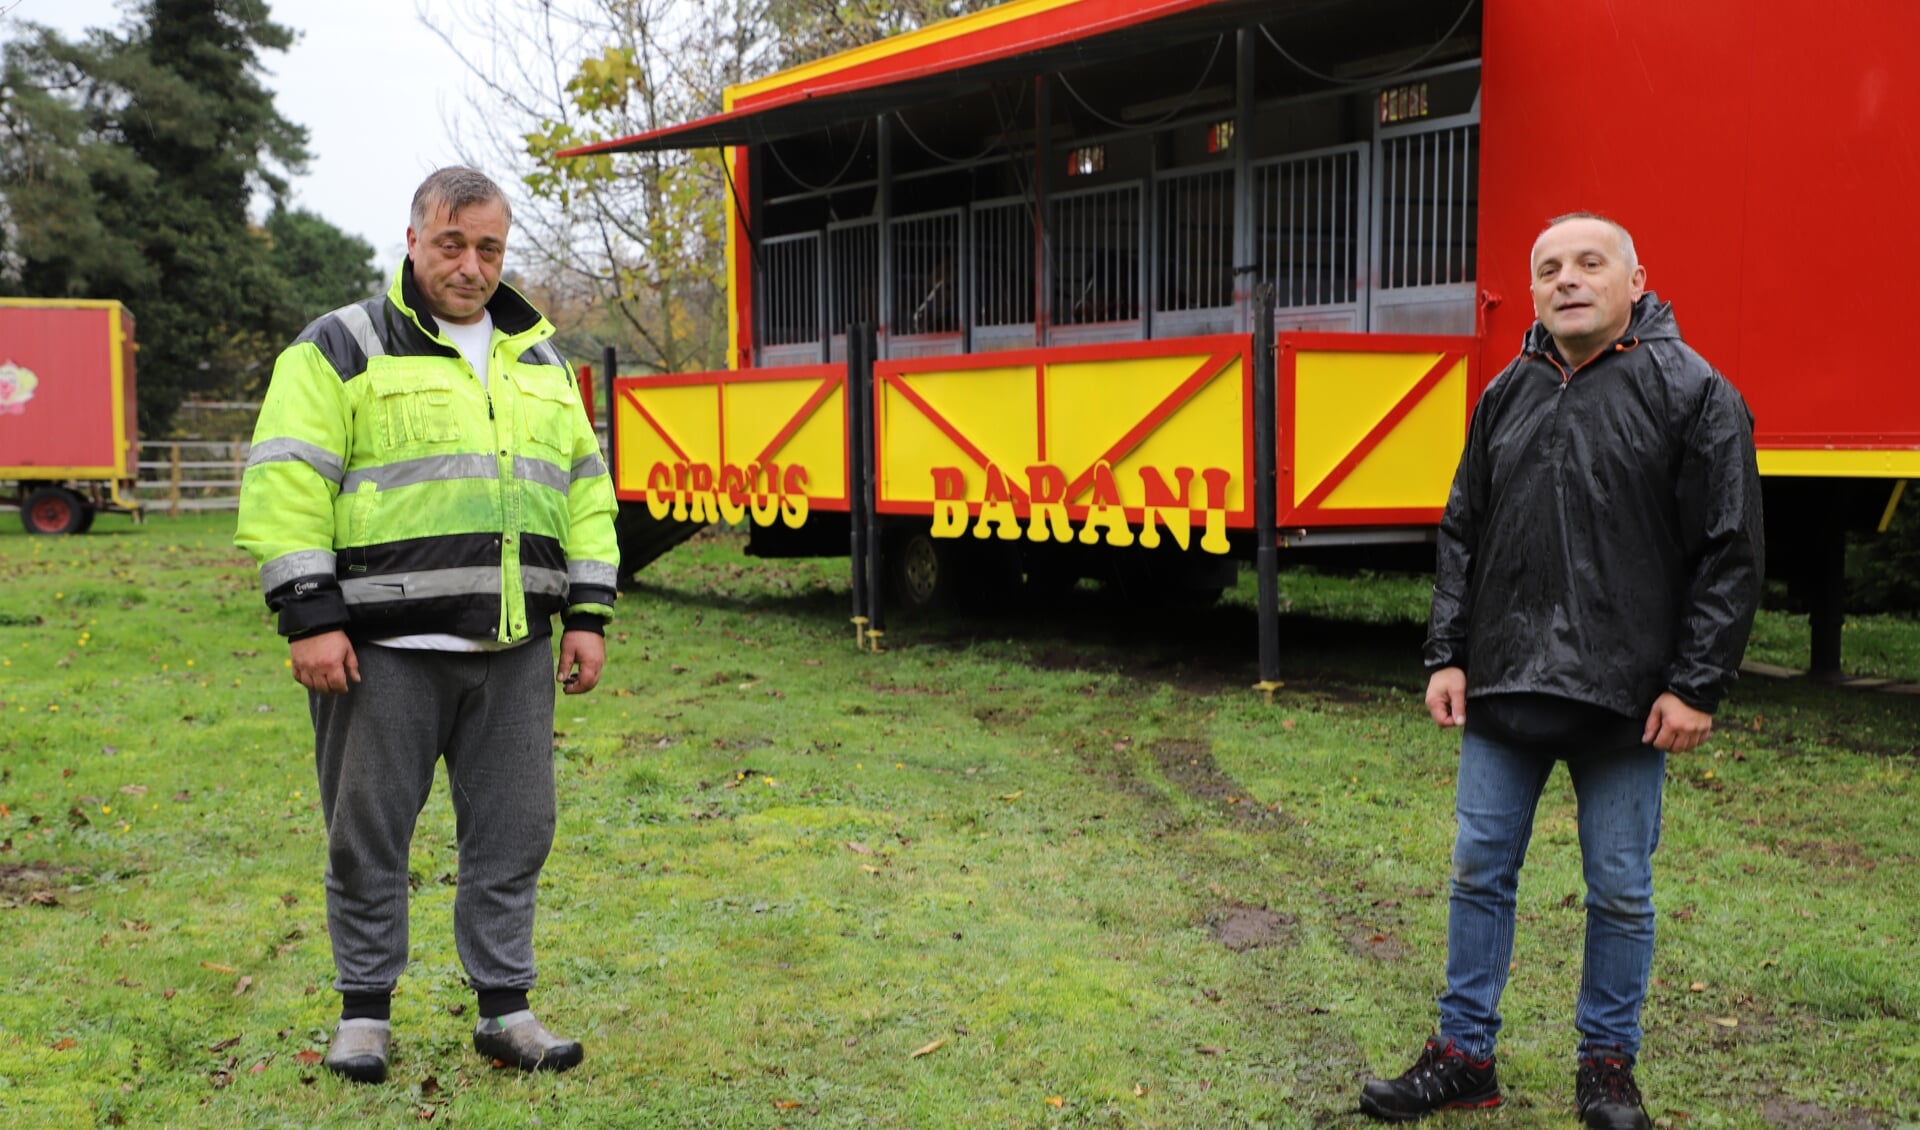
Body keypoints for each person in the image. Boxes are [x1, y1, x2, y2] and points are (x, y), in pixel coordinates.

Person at [1358, 214, 1763, 1129]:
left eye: (1590, 263)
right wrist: (1447, 654)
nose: (1567, 279)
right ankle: (1464, 1054)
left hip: (1629, 699)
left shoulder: (1694, 392)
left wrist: (1697, 684)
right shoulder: (1504, 393)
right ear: (1533, 291)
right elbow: (1464, 531)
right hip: (1504, 686)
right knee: (1476, 870)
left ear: (1635, 280)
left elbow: (1729, 550)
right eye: (1548, 269)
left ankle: (1607, 1068)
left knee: (1619, 887)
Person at [236, 167, 619, 1084]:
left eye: (489, 247)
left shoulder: (540, 360)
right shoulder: (341, 346)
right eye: (453, 243)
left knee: (516, 830)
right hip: (382, 652)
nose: (472, 265)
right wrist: (308, 617)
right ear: (413, 240)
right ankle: (363, 1013)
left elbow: (585, 491)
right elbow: (288, 481)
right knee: (367, 834)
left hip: (518, 649)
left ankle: (505, 1009)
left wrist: (589, 613)